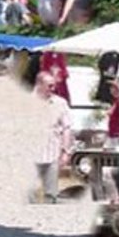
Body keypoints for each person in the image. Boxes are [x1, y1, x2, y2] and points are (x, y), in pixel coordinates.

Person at [33, 72, 73, 205]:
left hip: (52, 154)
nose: (53, 89)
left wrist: (66, 152)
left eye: (54, 86)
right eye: (50, 86)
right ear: (39, 84)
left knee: (50, 194)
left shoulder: (60, 103)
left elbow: (67, 128)